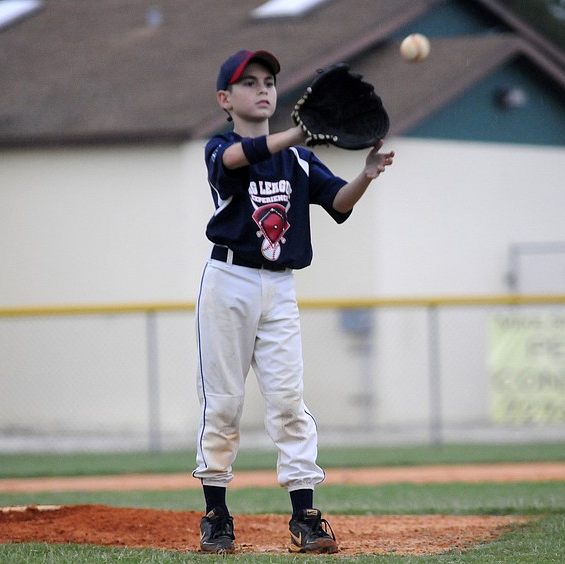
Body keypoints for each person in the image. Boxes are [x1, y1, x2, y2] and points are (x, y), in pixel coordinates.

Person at [193, 49, 394, 554]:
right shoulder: (221, 147)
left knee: (288, 402)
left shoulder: (299, 158)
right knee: (225, 404)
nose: (263, 89)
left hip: (279, 287)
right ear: (225, 99)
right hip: (229, 281)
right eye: (249, 83)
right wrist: (298, 132)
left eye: (270, 82)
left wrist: (366, 173)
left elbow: (337, 203)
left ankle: (304, 516)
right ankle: (216, 515)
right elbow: (239, 159)